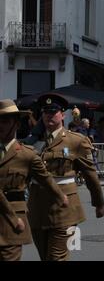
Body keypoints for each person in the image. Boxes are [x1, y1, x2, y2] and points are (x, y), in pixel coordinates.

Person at [28, 94, 104, 261]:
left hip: (65, 210)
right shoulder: (33, 141)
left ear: (63, 115)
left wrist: (99, 203)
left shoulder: (76, 141)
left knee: (57, 258)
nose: (49, 115)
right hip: (37, 209)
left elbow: (90, 175)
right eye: (45, 112)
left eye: (54, 111)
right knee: (45, 257)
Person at [0, 100, 68, 261]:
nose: (0, 125)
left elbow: (45, 178)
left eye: (5, 121)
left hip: (13, 222)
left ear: (15, 124)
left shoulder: (26, 155)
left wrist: (61, 197)